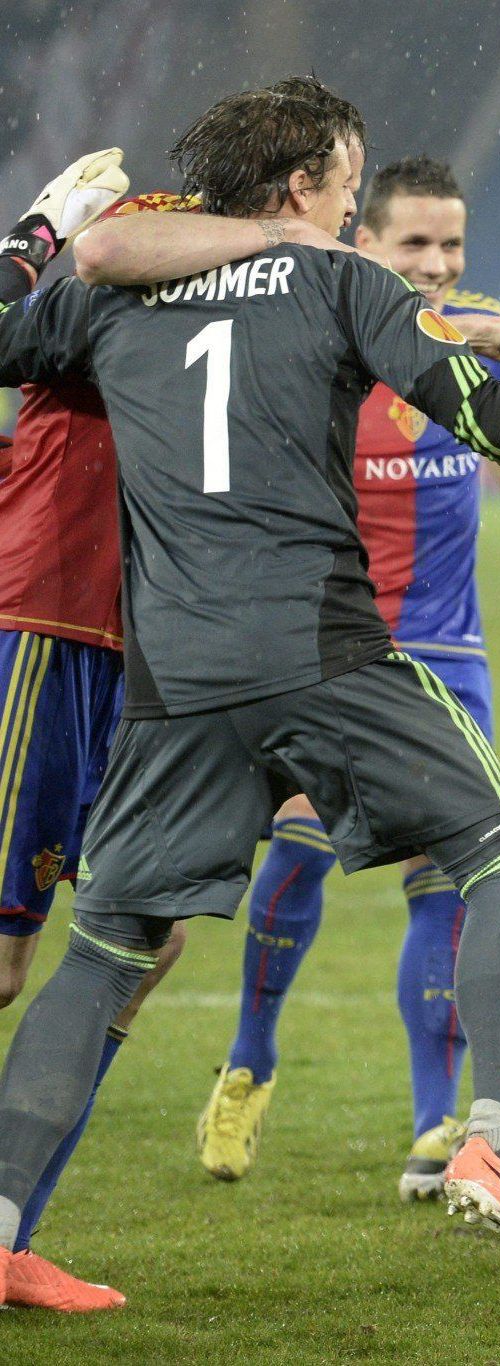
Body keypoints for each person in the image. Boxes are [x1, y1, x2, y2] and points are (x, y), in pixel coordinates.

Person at [0, 75, 500, 1301]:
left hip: (174, 677)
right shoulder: (339, 279)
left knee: (108, 948)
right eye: (350, 189)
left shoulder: (110, 293)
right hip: (319, 650)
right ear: (302, 187)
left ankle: (1, 1222)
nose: (356, 214)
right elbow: (484, 413)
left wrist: (38, 236)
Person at [159, 154, 500, 1202]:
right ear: (362, 243)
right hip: (341, 647)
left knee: (448, 883)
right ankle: (251, 1056)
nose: (438, 263)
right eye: (414, 243)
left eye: (452, 243)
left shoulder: (472, 329)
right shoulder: (322, 341)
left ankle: (430, 1117)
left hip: (452, 649)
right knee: (302, 855)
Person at [0, 155, 172, 1314]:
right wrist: (39, 236)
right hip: (44, 625)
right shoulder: (135, 247)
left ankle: (11, 1227)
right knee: (4, 953)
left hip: (148, 660)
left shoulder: (264, 274)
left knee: (142, 938)